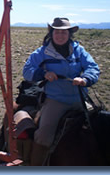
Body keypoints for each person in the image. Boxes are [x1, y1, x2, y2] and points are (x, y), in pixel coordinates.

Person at [17, 17, 100, 165]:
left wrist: (86, 79)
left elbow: (92, 67)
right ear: (51, 34)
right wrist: (44, 74)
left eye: (64, 33)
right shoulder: (42, 52)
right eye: (57, 33)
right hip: (56, 100)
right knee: (44, 136)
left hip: (80, 99)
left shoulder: (79, 51)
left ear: (69, 34)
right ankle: (36, 166)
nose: (60, 36)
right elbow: (27, 70)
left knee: (101, 129)